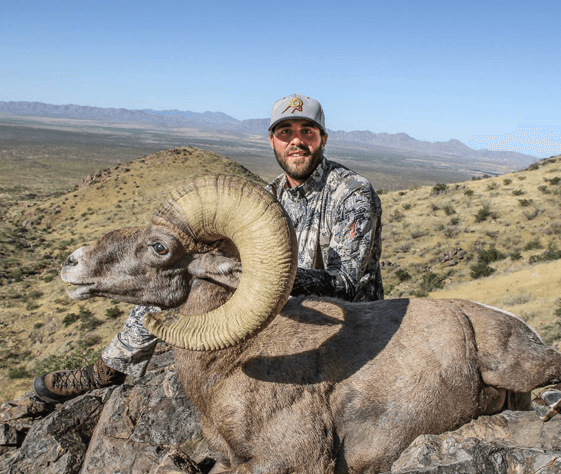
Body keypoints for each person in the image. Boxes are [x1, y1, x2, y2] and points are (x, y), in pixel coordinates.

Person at [34, 94, 383, 403]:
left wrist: (262, 277)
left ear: (323, 138)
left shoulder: (351, 193)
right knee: (171, 275)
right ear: (272, 141)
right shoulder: (265, 197)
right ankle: (108, 369)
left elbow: (346, 282)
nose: (297, 141)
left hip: (343, 322)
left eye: (307, 132)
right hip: (274, 306)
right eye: (285, 132)